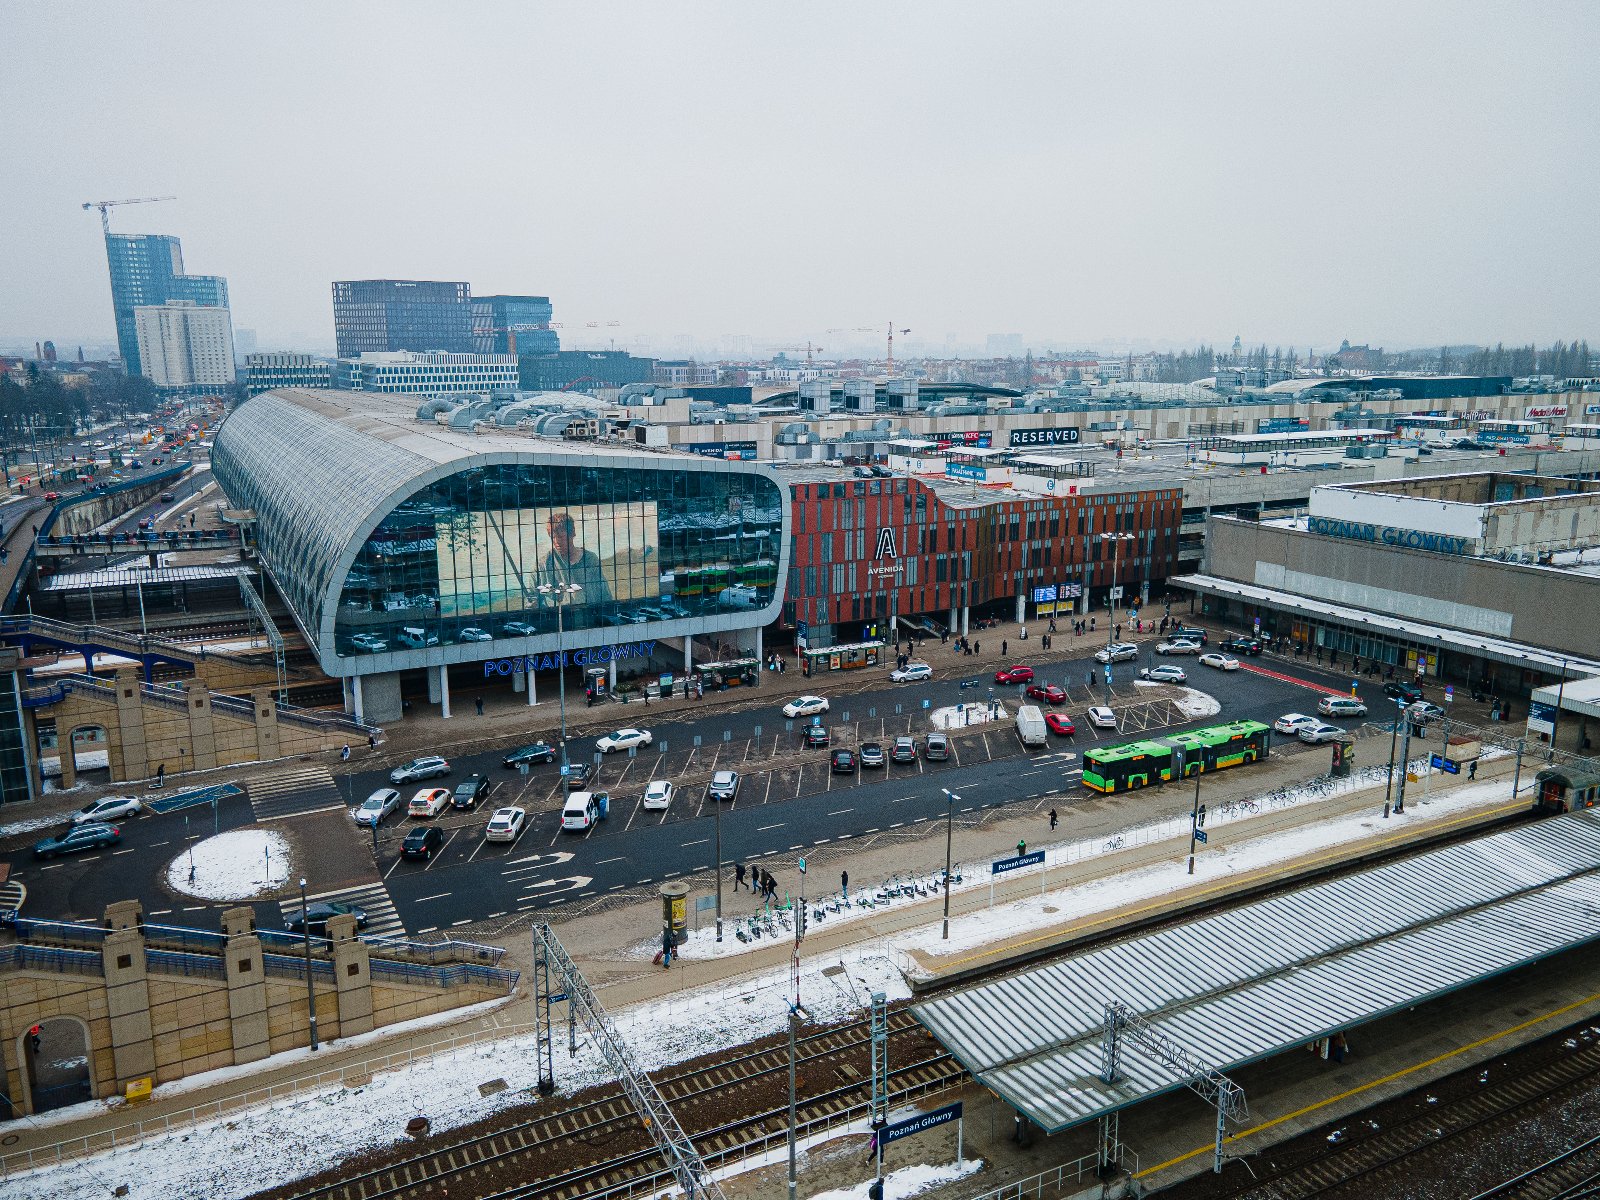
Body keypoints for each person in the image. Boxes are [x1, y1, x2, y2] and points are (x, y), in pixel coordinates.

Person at [540, 510, 614, 608]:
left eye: (561, 537)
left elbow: (604, 593)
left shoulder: (590, 559)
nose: (557, 541)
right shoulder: (544, 563)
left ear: (572, 533)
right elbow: (533, 598)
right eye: (553, 537)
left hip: (591, 614)